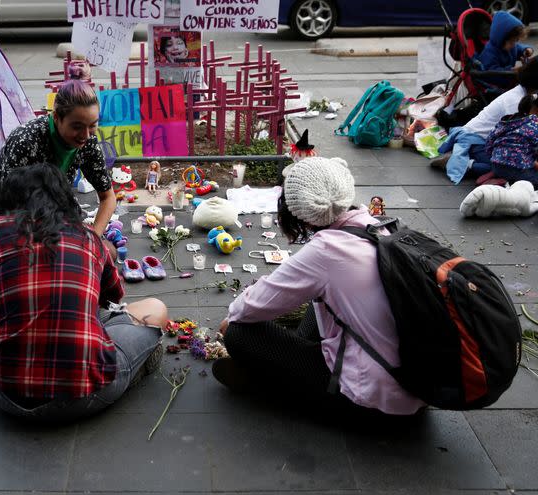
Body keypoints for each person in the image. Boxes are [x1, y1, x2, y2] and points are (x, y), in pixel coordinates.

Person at [212, 157, 425, 416]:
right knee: (319, 303)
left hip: (372, 403)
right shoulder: (381, 227)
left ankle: (275, 382)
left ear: (295, 209)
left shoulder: (325, 251)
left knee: (239, 333)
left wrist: (231, 317)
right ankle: (294, 365)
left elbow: (253, 306)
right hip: (417, 387)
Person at [0, 163, 166, 421]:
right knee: (155, 310)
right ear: (64, 198)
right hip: (87, 395)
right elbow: (113, 298)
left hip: (6, 392)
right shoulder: (89, 238)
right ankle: (133, 371)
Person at [0, 80, 115, 236]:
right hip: (14, 223)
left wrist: (95, 240)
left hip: (55, 218)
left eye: (92, 125)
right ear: (56, 117)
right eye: (76, 127)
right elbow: (8, 207)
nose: (85, 135)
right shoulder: (25, 141)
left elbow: (108, 197)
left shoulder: (88, 142)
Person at [432, 56, 538, 184]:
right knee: (509, 165)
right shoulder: (516, 101)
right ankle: (466, 164)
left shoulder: (525, 95)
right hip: (476, 141)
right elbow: (513, 144)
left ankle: (495, 174)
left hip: (490, 142)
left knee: (514, 163)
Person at [485, 93, 538, 186]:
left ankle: (501, 177)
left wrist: (494, 157)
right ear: (536, 110)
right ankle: (509, 183)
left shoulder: (507, 120)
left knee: (495, 166)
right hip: (519, 168)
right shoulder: (534, 125)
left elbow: (489, 141)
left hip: (496, 163)